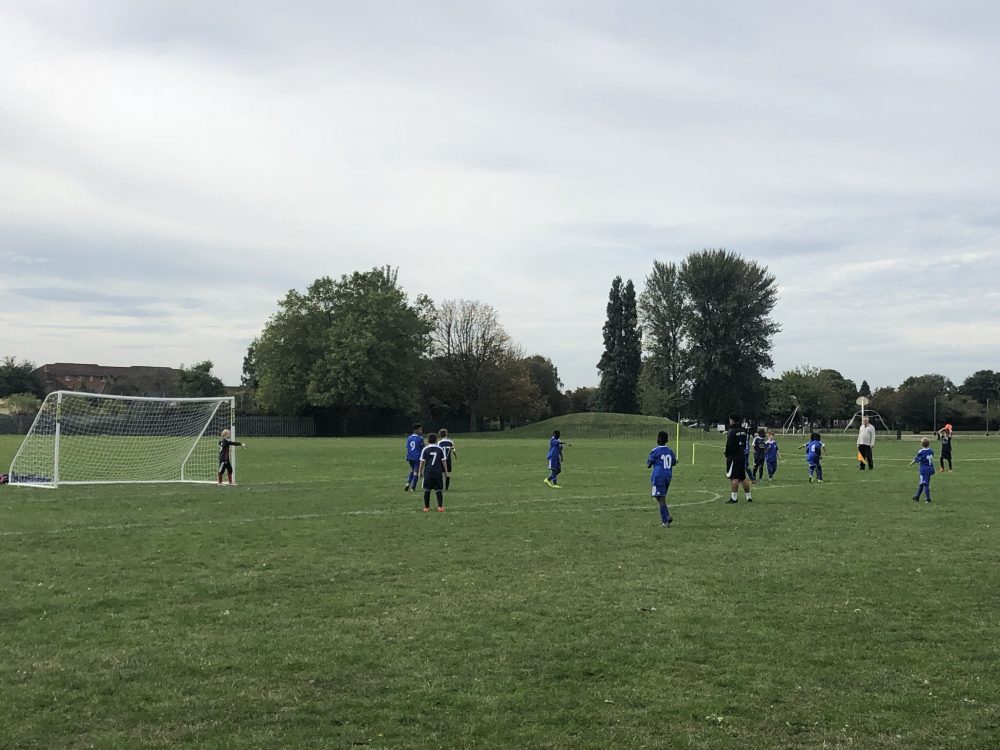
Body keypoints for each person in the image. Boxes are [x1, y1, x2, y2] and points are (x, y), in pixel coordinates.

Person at [647, 431, 676, 527]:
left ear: (658, 439)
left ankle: (665, 521)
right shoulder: (670, 451)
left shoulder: (655, 450)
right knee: (660, 497)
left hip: (658, 476)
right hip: (668, 475)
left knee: (660, 497)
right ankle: (667, 516)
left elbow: (649, 464)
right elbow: (674, 462)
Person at [724, 414, 753, 503]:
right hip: (742, 455)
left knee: (734, 477)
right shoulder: (743, 430)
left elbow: (729, 444)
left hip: (733, 456)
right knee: (742, 477)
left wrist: (727, 453)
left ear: (732, 420)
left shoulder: (732, 431)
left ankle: (734, 498)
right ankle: (748, 497)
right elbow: (745, 443)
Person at [418, 432, 447, 512]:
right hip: (438, 472)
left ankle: (426, 507)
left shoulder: (425, 449)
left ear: (428, 440)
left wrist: (420, 472)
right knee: (438, 490)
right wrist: (446, 472)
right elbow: (444, 462)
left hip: (428, 472)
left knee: (427, 490)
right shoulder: (440, 449)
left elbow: (422, 462)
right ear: (436, 440)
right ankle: (440, 507)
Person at [910, 437, 936, 502]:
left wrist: (911, 463)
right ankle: (917, 497)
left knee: (925, 484)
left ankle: (928, 499)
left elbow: (917, 459)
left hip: (924, 470)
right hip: (930, 468)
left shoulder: (921, 451)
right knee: (922, 483)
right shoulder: (931, 451)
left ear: (921, 444)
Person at [404, 424, 424, 492]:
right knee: (416, 472)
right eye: (420, 429)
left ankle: (408, 483)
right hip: (417, 457)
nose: (421, 431)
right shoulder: (420, 438)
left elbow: (407, 447)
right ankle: (413, 487)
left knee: (412, 470)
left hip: (410, 457)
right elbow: (423, 449)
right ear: (416, 430)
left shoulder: (409, 438)